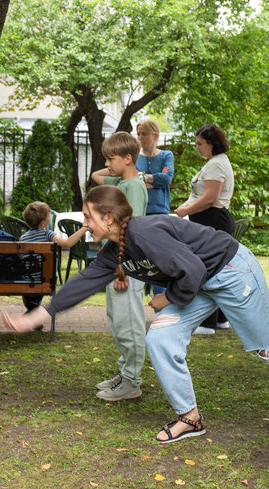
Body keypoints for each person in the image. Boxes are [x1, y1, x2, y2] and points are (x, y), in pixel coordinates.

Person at [2, 185, 269, 444]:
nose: (85, 224)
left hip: (230, 271)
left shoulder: (145, 232)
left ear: (109, 217)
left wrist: (169, 297)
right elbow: (83, 283)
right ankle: (190, 418)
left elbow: (192, 268)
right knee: (161, 339)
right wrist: (36, 316)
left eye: (88, 217)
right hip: (198, 283)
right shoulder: (116, 249)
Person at [89, 132, 148, 402]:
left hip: (126, 263)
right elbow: (96, 177)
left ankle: (132, 381)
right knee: (118, 321)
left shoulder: (133, 186)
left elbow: (129, 228)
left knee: (129, 324)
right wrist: (117, 165)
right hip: (117, 260)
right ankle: (126, 373)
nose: (106, 163)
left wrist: (122, 267)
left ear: (127, 158)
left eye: (111, 158)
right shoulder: (124, 181)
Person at [174, 124, 235, 335]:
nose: (197, 147)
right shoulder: (214, 163)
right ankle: (219, 319)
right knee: (215, 270)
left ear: (212, 143)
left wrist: (185, 211)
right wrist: (186, 207)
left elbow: (210, 198)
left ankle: (207, 323)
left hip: (213, 220)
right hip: (210, 220)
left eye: (200, 144)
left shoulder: (216, 165)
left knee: (207, 270)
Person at [19, 201, 88, 312]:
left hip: (27, 280)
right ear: (42, 223)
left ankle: (32, 309)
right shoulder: (47, 234)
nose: (49, 218)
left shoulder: (23, 238)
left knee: (32, 294)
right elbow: (67, 243)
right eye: (48, 217)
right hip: (45, 280)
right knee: (43, 276)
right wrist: (84, 229)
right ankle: (33, 312)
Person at [136, 119, 175, 300]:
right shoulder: (135, 156)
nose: (140, 137)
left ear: (155, 135)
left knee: (159, 258)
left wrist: (144, 178)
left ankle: (159, 298)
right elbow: (133, 182)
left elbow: (166, 179)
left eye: (144, 134)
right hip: (139, 212)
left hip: (160, 212)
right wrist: (153, 180)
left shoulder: (167, 155)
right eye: (139, 134)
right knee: (142, 258)